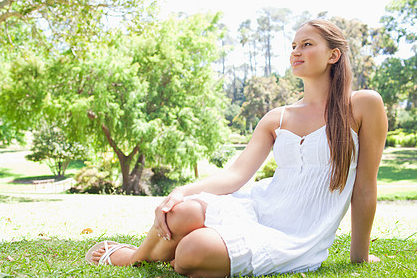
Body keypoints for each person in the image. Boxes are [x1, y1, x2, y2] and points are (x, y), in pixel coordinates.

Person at [85, 19, 388, 277]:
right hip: (257, 208)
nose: (296, 51)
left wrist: (360, 256)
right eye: (294, 45)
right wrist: (179, 192)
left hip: (294, 236)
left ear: (334, 55)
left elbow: (364, 187)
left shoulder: (364, 105)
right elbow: (235, 177)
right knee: (182, 211)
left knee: (194, 249)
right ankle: (136, 256)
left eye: (307, 44)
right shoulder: (277, 118)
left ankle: (185, 254)